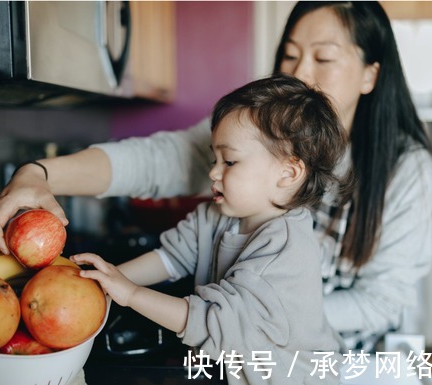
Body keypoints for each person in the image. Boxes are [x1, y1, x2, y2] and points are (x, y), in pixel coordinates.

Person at [0, 1, 432, 353]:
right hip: (231, 344)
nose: (301, 73)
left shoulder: (403, 169)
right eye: (290, 55)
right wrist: (39, 175)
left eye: (324, 58)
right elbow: (156, 169)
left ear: (371, 74)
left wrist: (274, 317)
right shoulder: (242, 159)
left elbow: (380, 300)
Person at [73, 74, 348, 384]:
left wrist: (131, 294)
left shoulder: (284, 250)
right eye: (215, 157)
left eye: (229, 161)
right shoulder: (217, 215)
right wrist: (109, 283)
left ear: (288, 172)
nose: (214, 172)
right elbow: (173, 257)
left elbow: (211, 321)